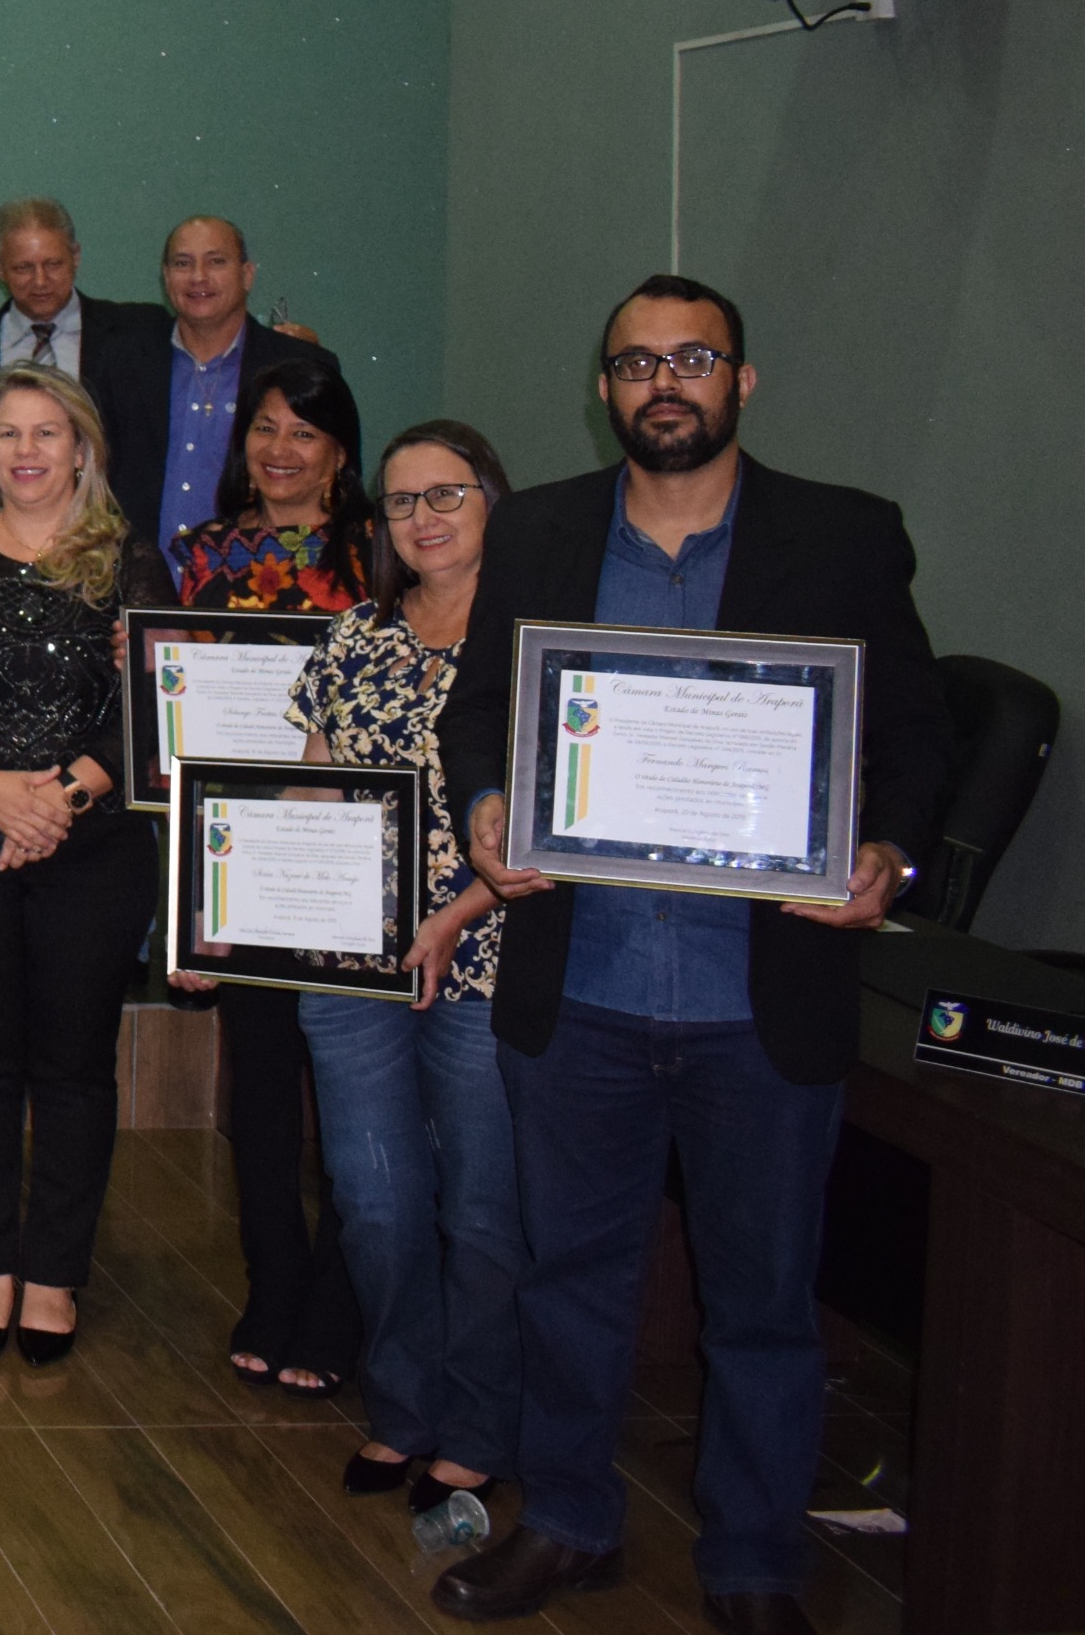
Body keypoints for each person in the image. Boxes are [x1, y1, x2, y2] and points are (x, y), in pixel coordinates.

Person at [428, 278, 941, 1632]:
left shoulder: (842, 534)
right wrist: (486, 803)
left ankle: (756, 1560)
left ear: (740, 380)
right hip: (582, 983)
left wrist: (887, 852)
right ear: (602, 388)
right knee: (568, 1282)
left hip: (756, 997)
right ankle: (570, 1521)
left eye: (693, 358)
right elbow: (479, 711)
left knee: (763, 1305)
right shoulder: (540, 530)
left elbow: (914, 735)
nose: (664, 382)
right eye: (637, 362)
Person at [0, 367, 177, 1366]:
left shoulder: (128, 560)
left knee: (72, 1063)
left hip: (91, 848)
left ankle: (53, 1271)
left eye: (45, 432)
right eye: (7, 433)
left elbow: (153, 699)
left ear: (80, 447)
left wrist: (59, 800)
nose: (24, 451)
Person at [291, 420, 522, 1517]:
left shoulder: (533, 647)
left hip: (490, 960)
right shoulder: (353, 637)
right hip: (352, 965)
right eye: (399, 501)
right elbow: (307, 794)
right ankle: (402, 1407)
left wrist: (453, 915)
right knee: (374, 1200)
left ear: (491, 501)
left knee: (481, 1210)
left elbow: (551, 823)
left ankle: (476, 1429)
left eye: (446, 494)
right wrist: (226, 917)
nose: (421, 517)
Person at [168, 356, 378, 1397]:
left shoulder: (379, 552)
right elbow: (178, 738)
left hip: (351, 856)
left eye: (303, 431)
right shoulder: (200, 554)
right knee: (257, 1083)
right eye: (264, 426)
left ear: (339, 452)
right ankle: (273, 1280)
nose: (279, 448)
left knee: (352, 1085)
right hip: (237, 852)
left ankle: (341, 1293)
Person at [92, 214, 334, 549]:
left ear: (247, 275)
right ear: (166, 277)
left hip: (262, 570)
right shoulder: (122, 361)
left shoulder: (302, 365)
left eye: (216, 261)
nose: (198, 277)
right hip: (139, 573)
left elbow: (335, 487)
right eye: (183, 263)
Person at [0, 196, 148, 390]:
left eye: (53, 264)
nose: (40, 281)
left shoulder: (136, 332)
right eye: (23, 268)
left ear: (75, 257)